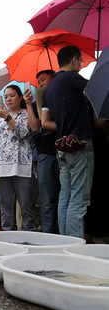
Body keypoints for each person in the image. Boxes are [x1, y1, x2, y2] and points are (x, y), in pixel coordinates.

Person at [42, 46, 95, 238]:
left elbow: (45, 122)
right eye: (80, 60)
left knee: (65, 196)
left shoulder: (51, 88)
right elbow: (96, 90)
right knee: (79, 198)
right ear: (73, 60)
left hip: (62, 146)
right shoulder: (71, 78)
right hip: (79, 144)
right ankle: (75, 244)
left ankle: (64, 241)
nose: (81, 64)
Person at [0, 85, 36, 231]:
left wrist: (7, 117)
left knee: (26, 205)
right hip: (2, 166)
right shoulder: (0, 119)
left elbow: (22, 133)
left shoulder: (25, 114)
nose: (8, 99)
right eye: (6, 96)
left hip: (22, 165)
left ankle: (28, 237)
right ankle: (7, 237)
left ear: (20, 97)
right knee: (5, 207)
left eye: (12, 95)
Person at [32, 70, 60, 233]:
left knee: (62, 195)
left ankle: (61, 232)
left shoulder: (63, 96)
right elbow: (36, 127)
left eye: (43, 80)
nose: (40, 84)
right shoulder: (38, 101)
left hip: (64, 149)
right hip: (45, 151)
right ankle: (48, 233)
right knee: (47, 197)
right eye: (39, 81)